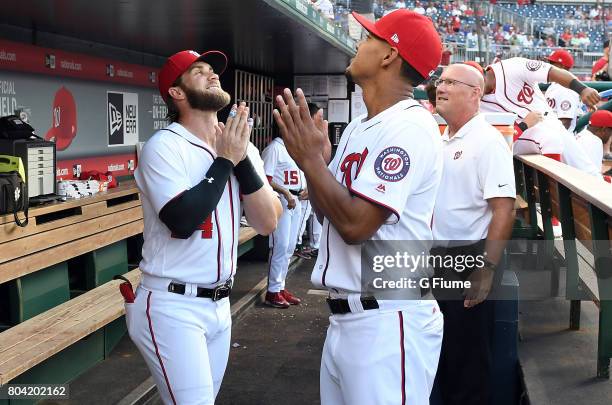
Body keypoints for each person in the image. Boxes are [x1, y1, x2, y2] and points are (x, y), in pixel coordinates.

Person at [274, 10, 444, 404]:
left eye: (369, 38)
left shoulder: (410, 127)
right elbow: (328, 215)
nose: (359, 43)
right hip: (348, 319)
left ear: (389, 55)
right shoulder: (357, 127)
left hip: (388, 319)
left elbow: (356, 226)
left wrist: (314, 163)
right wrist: (312, 165)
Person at [128, 49, 281, 404]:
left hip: (218, 305)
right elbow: (182, 218)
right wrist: (226, 159)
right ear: (177, 93)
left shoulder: (239, 146)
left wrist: (239, 158)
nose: (213, 75)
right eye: (199, 72)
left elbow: (266, 222)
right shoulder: (164, 146)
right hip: (171, 304)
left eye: (213, 71)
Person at [432, 63, 516, 405]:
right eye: (440, 80)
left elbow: (504, 209)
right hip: (435, 258)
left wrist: (486, 269)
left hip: (466, 259)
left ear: (475, 93)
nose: (441, 86)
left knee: (466, 364)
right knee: (443, 357)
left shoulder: (486, 141)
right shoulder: (445, 137)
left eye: (451, 82)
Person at [479, 56, 601, 176]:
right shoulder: (471, 101)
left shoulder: (512, 67)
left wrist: (582, 89)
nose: (472, 93)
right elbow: (495, 143)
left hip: (548, 121)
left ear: (482, 76)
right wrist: (523, 125)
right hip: (515, 137)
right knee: (550, 138)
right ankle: (553, 190)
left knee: (587, 171)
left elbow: (552, 71)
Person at [261, 119, 306, 308]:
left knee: (289, 247)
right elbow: (265, 179)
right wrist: (286, 193)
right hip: (281, 200)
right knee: (280, 246)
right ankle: (272, 291)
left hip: (296, 201)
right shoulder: (274, 148)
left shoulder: (292, 147)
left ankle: (280, 287)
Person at [545, 49, 582, 132]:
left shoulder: (566, 90)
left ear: (562, 67)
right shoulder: (554, 85)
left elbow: (565, 123)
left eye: (552, 63)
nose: (549, 66)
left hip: (558, 140)